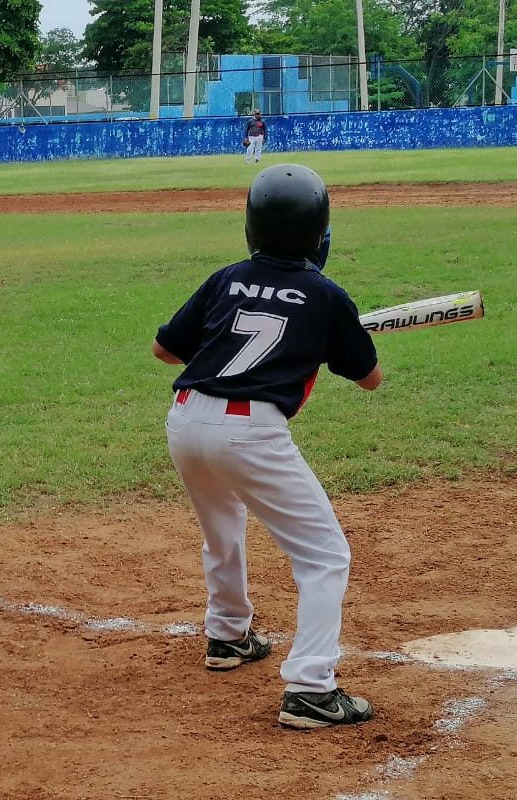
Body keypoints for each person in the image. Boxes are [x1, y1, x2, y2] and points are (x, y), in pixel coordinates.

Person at [153, 163, 382, 730]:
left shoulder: (226, 278)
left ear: (250, 227)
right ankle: (310, 688)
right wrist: (339, 337)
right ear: (320, 233)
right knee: (325, 555)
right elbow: (370, 379)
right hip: (250, 433)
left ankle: (227, 635)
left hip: (185, 422)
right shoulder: (327, 295)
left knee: (222, 529)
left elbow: (164, 350)